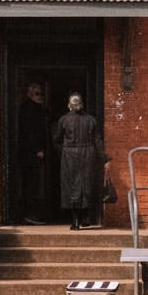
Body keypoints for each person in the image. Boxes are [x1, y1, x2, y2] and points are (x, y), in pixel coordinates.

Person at [53, 92, 106, 230]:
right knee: (87, 184)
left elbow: (57, 139)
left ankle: (75, 221)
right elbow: (97, 140)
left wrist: (62, 150)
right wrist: (104, 157)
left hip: (70, 155)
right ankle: (86, 217)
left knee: (71, 186)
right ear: (81, 104)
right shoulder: (91, 120)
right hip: (88, 154)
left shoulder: (64, 120)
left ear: (69, 105)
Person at [17, 82, 50, 224]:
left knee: (33, 184)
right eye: (37, 94)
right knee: (31, 184)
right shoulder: (31, 109)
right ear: (30, 94)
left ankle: (32, 213)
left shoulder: (34, 108)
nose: (40, 97)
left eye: (41, 94)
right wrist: (38, 149)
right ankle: (29, 214)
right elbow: (31, 131)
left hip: (29, 153)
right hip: (31, 154)